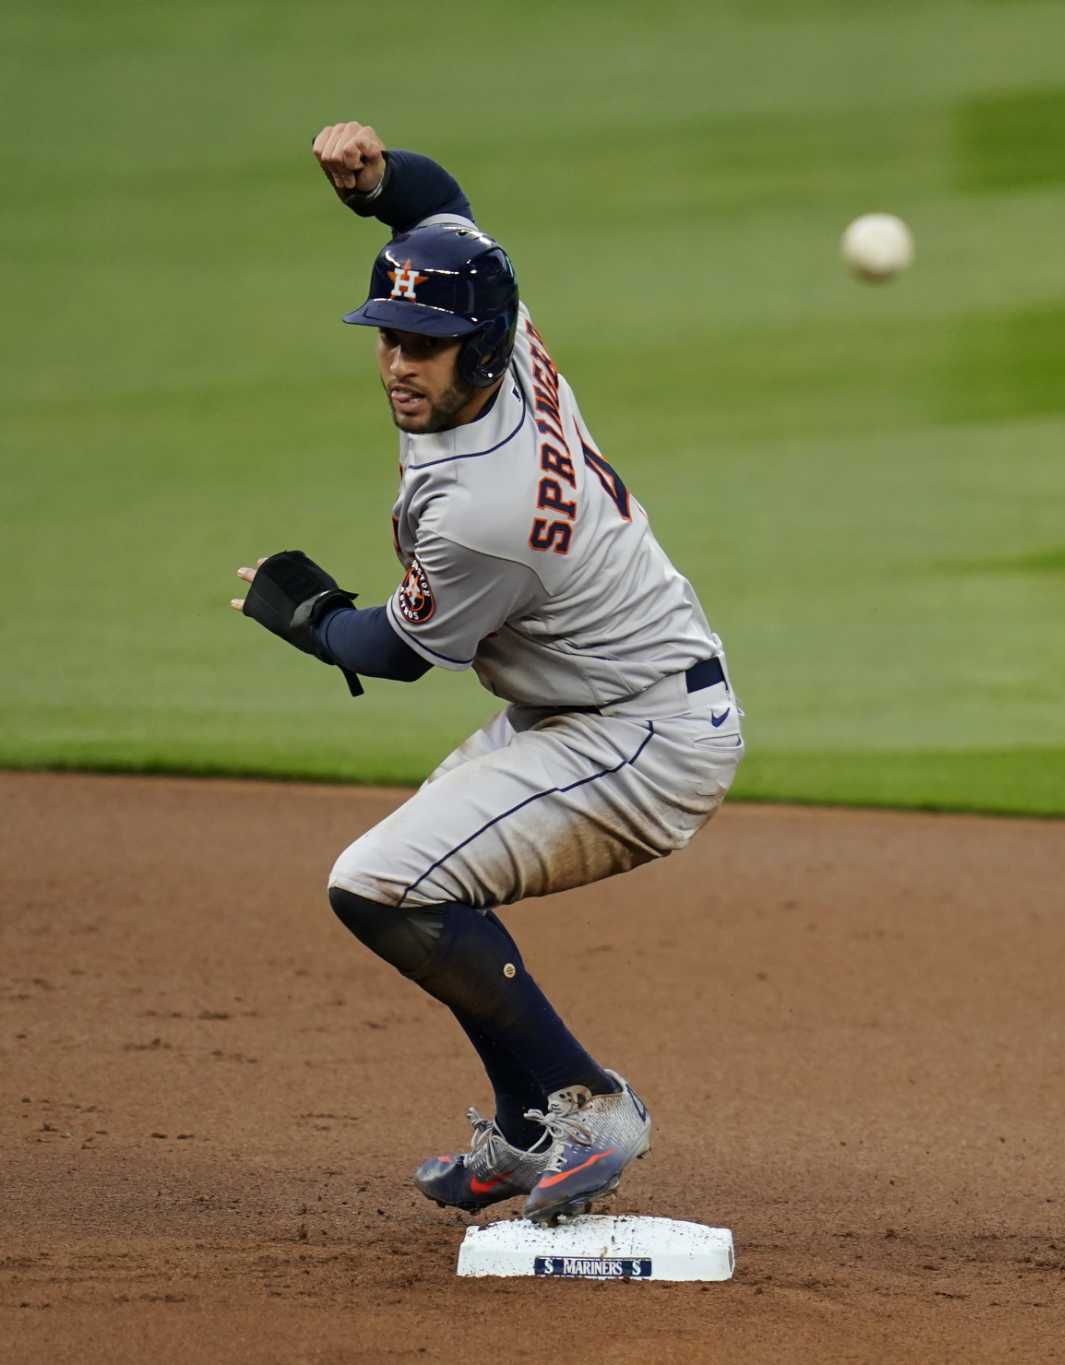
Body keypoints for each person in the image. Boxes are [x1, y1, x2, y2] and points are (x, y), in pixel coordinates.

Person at [230, 121, 745, 1224]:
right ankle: (526, 1126)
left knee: (382, 883)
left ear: (480, 346)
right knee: (419, 882)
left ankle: (586, 1102)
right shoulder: (499, 329)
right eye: (386, 336)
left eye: (423, 345)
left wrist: (314, 616)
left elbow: (399, 653)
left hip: (638, 741)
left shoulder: (484, 512)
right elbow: (441, 202)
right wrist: (379, 186)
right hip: (592, 707)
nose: (398, 364)